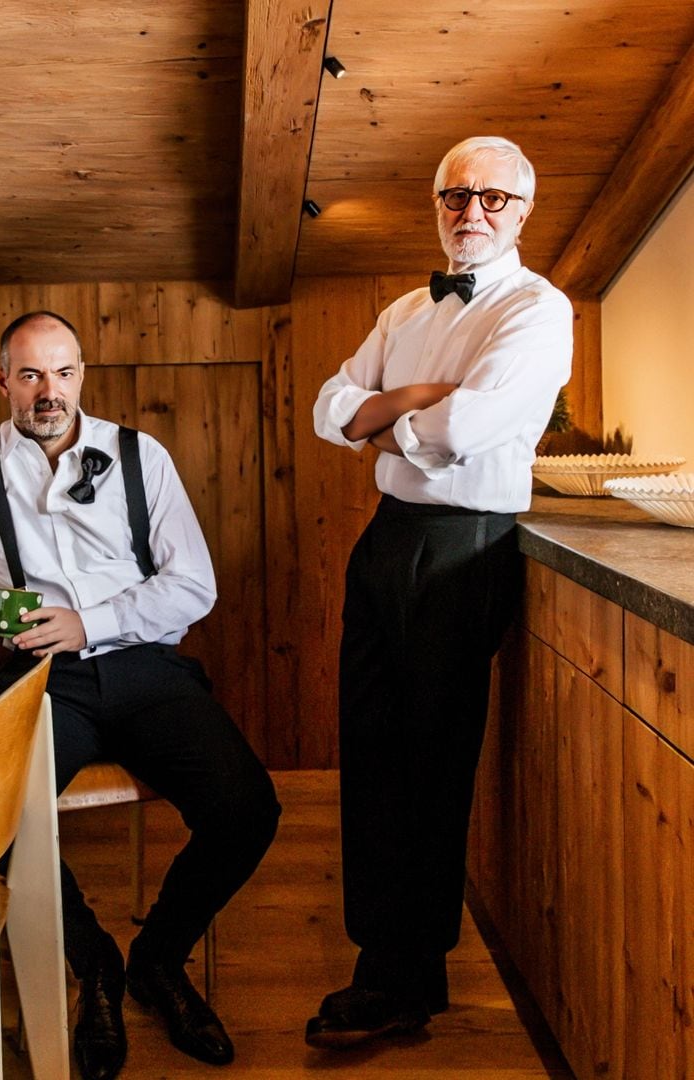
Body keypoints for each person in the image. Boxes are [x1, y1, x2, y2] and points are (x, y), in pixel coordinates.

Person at [0, 310, 280, 1080]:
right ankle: (96, 966)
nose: (51, 392)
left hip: (145, 666)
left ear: (83, 375)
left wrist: (93, 621)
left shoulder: (141, 457)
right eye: (33, 375)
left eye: (65, 372)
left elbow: (193, 585)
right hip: (41, 681)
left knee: (248, 809)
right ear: (3, 380)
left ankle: (159, 961)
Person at [307, 136, 573, 1048]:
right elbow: (325, 406)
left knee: (433, 760)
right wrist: (407, 403)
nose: (472, 214)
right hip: (386, 546)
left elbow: (469, 427)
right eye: (455, 197)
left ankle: (408, 977)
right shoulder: (402, 309)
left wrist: (383, 421)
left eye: (493, 199)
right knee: (372, 752)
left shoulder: (540, 312)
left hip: (465, 548)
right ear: (436, 204)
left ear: (524, 211)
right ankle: (378, 956)